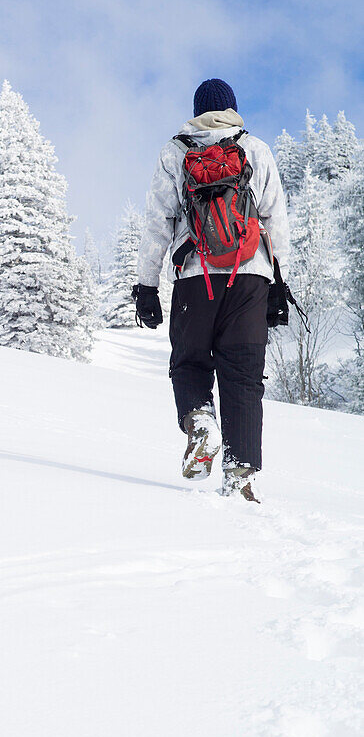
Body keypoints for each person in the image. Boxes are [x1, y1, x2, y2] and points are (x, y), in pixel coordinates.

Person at [133, 78, 290, 503]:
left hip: (194, 275)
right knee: (242, 374)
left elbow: (157, 222)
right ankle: (240, 477)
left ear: (197, 110)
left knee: (189, 361)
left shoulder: (176, 151)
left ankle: (200, 420)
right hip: (250, 277)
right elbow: (276, 218)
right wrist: (279, 283)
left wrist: (147, 286)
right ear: (233, 108)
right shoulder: (254, 148)